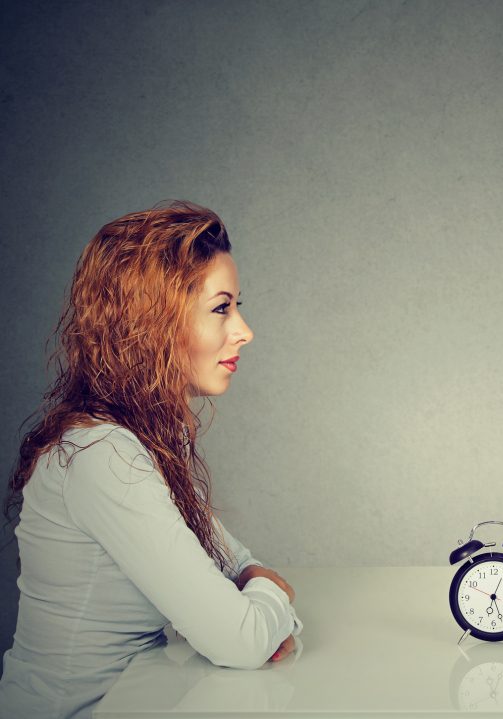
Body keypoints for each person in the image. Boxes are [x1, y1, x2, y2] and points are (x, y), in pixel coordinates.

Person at [0, 202, 301, 719]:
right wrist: (271, 603)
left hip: (141, 699)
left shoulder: (146, 440)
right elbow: (243, 638)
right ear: (153, 323)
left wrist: (259, 596)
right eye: (221, 308)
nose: (244, 330)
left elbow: (237, 564)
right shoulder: (103, 455)